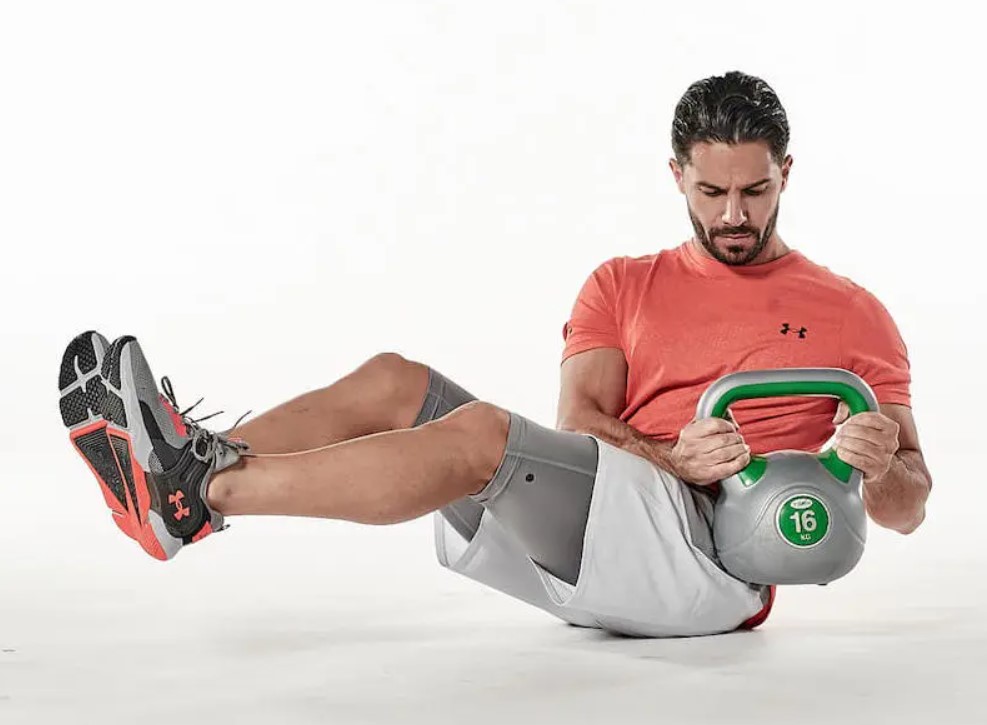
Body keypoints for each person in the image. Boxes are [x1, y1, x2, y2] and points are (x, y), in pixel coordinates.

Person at [57, 70, 932, 638]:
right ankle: (195, 466)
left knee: (480, 436)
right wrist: (670, 453)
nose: (733, 215)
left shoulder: (851, 312)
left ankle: (193, 492)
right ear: (676, 176)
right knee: (396, 379)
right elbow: (578, 422)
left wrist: (874, 462)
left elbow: (908, 507)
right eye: (711, 191)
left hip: (715, 563)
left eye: (754, 190)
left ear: (788, 171)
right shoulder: (620, 284)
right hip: (621, 508)